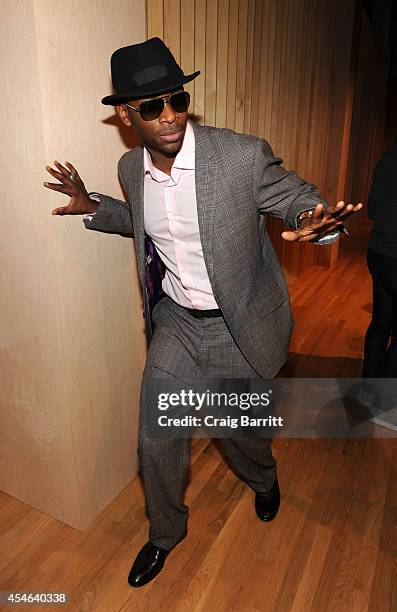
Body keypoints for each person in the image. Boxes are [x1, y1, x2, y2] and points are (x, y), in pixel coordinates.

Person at [44, 37, 362, 587]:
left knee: (237, 431)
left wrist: (318, 220)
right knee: (157, 435)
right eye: (150, 107)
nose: (168, 117)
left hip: (237, 327)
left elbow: (295, 196)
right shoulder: (128, 167)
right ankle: (165, 533)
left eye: (177, 101)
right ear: (125, 115)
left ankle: (264, 479)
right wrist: (93, 206)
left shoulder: (237, 156)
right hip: (176, 323)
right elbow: (148, 226)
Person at [363, 140, 397, 378]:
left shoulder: (389, 153)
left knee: (380, 323)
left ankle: (369, 388)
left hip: (378, 252)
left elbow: (372, 209)